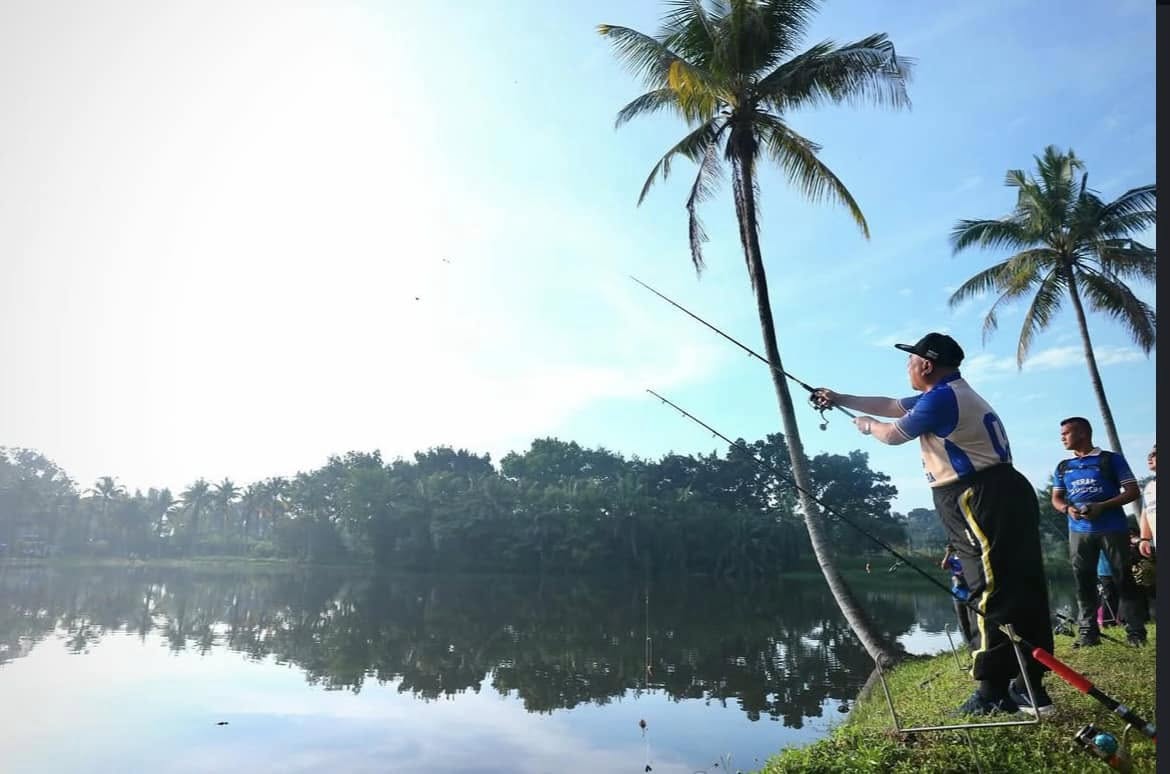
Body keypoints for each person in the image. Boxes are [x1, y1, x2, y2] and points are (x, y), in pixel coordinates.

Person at [813, 332, 1054, 717]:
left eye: (910, 360)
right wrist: (839, 398)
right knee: (1018, 584)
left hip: (977, 496)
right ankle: (1028, 685)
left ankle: (993, 692)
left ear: (926, 364)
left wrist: (866, 426)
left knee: (987, 588)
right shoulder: (948, 394)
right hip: (995, 492)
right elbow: (893, 405)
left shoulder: (942, 398)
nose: (907, 366)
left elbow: (892, 432)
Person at [1051, 417, 1147, 647]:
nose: (1062, 437)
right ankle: (1088, 633)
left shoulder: (1110, 460)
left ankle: (1136, 633)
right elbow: (1056, 497)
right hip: (1079, 531)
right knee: (1083, 581)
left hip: (1112, 529)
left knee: (1123, 579)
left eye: (1066, 433)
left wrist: (1103, 506)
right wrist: (1067, 509)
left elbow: (1133, 490)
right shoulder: (1064, 467)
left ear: (1083, 433)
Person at [941, 543, 975, 646]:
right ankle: (970, 646)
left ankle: (977, 643)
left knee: (973, 621)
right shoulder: (952, 560)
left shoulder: (968, 558)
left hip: (971, 595)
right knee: (963, 623)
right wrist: (948, 553)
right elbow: (944, 566)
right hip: (957, 595)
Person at [1139, 444, 1156, 557]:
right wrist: (1144, 538)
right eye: (1149, 454)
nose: (1149, 457)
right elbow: (1146, 512)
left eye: (1154, 454)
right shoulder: (1149, 487)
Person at [1096, 549, 1119, 628]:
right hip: (1105, 571)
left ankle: (1118, 619)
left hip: (1117, 568)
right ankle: (1107, 622)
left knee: (1117, 596)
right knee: (1108, 596)